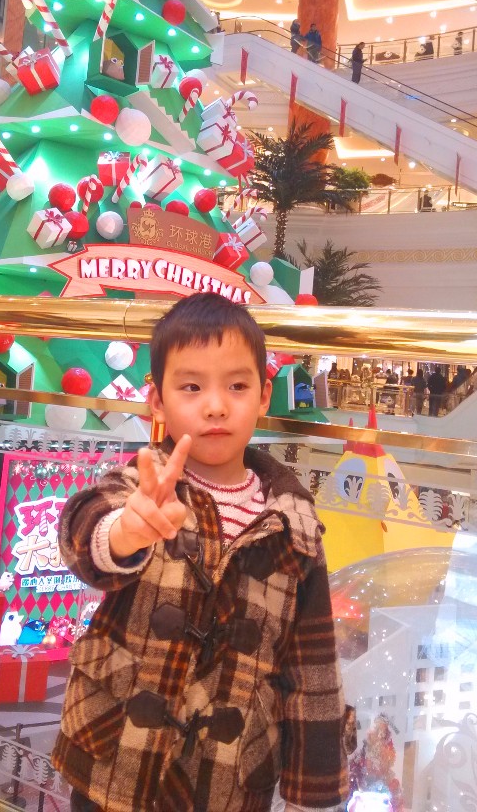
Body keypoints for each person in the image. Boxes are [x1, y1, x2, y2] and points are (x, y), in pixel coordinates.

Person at [53, 293, 351, 812]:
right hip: (116, 758)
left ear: (264, 396)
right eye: (191, 387)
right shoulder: (144, 485)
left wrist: (312, 795)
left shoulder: (293, 523)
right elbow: (82, 531)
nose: (216, 406)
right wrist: (126, 533)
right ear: (157, 400)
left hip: (229, 778)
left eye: (237, 386)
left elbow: (313, 667)